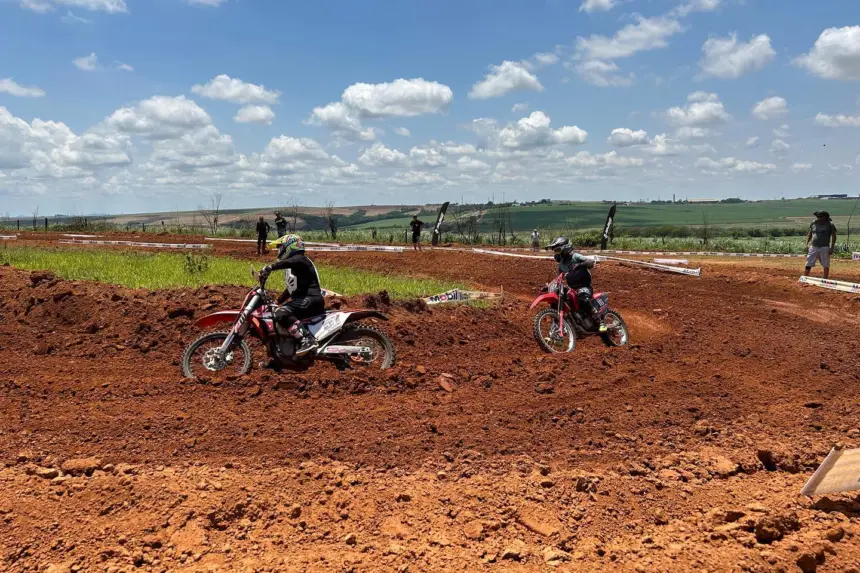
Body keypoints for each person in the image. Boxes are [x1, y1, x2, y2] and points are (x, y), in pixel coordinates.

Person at [259, 234, 324, 358]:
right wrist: (277, 301)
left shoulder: (301, 259)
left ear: (290, 246)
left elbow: (293, 261)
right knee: (277, 312)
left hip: (310, 298)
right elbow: (291, 289)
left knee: (281, 313)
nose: (279, 251)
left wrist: (271, 267)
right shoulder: (295, 266)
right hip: (305, 299)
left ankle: (307, 339)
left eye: (281, 247)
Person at [546, 236, 606, 333]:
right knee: (567, 301)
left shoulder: (575, 256)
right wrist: (549, 286)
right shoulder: (561, 265)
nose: (557, 253)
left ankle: (601, 321)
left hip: (584, 286)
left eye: (558, 250)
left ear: (565, 248)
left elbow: (590, 262)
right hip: (573, 288)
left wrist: (582, 264)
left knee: (583, 298)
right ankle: (571, 323)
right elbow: (559, 278)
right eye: (555, 251)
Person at [805, 211, 837, 279]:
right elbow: (810, 234)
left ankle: (825, 278)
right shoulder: (813, 223)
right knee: (809, 262)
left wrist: (832, 248)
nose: (819, 218)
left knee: (826, 263)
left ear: (825, 217)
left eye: (821, 216)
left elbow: (834, 236)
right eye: (818, 216)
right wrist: (806, 244)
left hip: (824, 247)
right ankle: (805, 277)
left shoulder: (830, 224)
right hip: (813, 247)